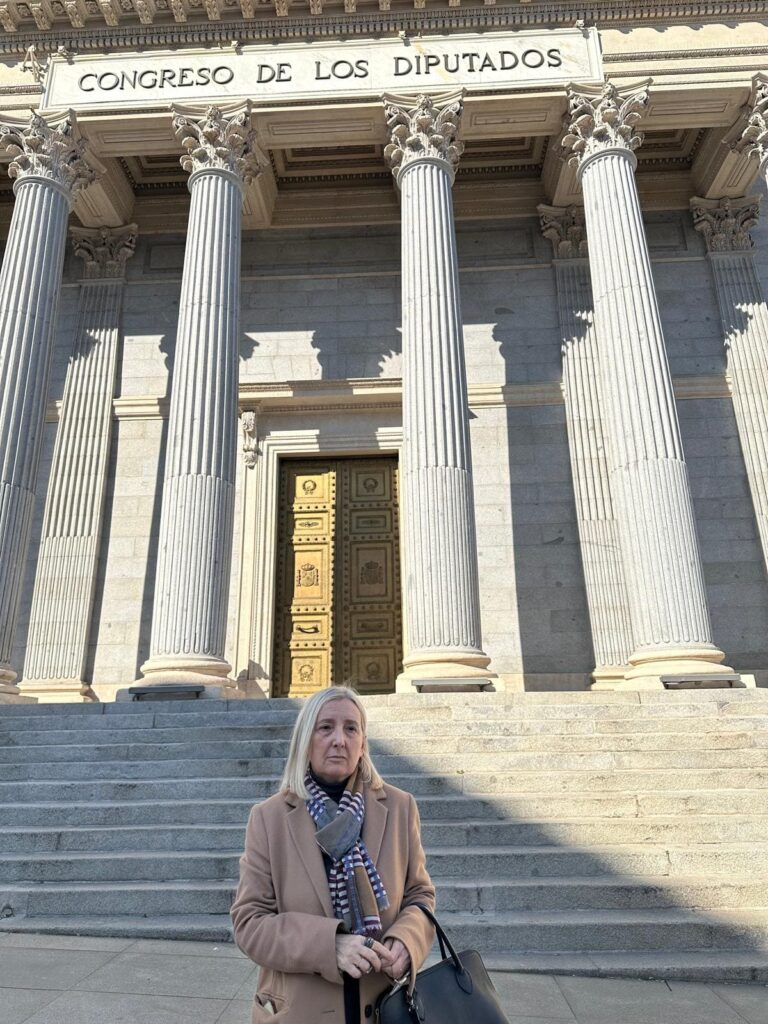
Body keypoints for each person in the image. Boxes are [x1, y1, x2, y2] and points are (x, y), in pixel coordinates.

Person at [230, 685, 436, 1024]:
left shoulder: (399, 808)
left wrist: (407, 942)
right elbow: (250, 923)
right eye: (326, 728)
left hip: (385, 1008)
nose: (339, 739)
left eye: (351, 728)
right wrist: (330, 946)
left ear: (363, 743)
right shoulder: (269, 818)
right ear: (305, 739)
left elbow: (420, 896)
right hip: (300, 1012)